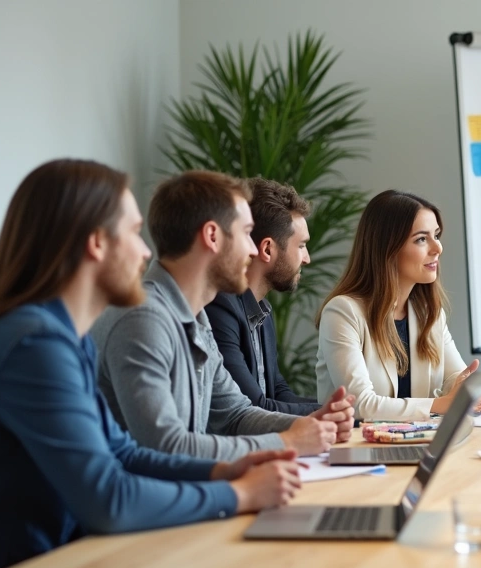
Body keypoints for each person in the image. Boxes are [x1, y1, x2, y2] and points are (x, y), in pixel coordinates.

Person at [0, 160, 302, 568]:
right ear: (96, 243)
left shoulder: (68, 337)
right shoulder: (33, 343)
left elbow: (123, 453)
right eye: (134, 233)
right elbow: (108, 498)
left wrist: (225, 469)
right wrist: (240, 494)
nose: (146, 252)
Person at [91, 171, 354, 461]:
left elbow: (235, 414)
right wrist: (287, 442)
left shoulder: (197, 317)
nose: (254, 249)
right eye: (245, 233)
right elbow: (166, 447)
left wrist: (313, 423)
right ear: (212, 236)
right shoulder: (143, 319)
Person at [316, 190, 481, 421]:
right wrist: (441, 404)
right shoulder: (343, 312)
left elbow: (452, 378)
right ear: (388, 248)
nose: (437, 248)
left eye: (436, 235)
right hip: (357, 447)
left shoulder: (430, 314)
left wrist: (466, 389)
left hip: (415, 442)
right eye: (421, 239)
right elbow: (360, 405)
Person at [205, 177, 320, 415]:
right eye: (301, 246)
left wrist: (337, 411)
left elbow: (277, 392)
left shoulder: (262, 311)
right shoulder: (219, 308)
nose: (307, 258)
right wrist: (332, 414)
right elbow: (255, 406)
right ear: (267, 249)